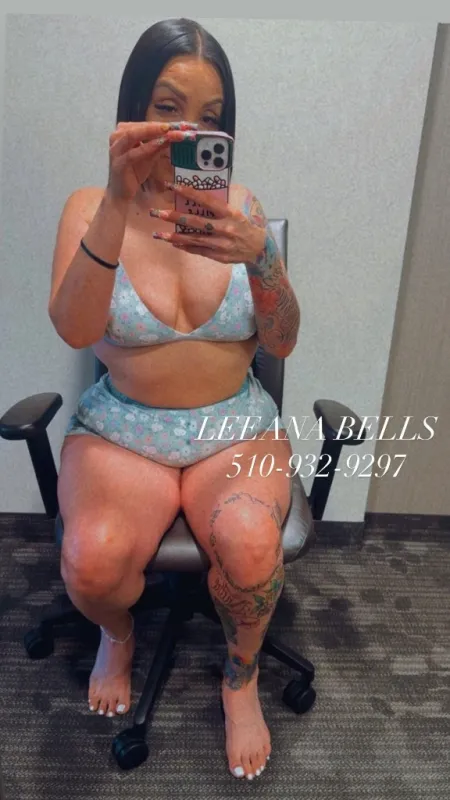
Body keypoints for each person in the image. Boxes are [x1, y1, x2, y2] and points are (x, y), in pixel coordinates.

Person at [49, 18, 301, 782]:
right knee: (90, 562)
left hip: (235, 428)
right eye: (167, 107)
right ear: (134, 110)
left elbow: (283, 339)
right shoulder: (90, 207)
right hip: (124, 434)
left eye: (210, 116)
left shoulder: (241, 211)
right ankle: (119, 635)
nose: (188, 129)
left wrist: (261, 257)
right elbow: (75, 328)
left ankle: (240, 678)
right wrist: (116, 203)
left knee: (251, 547)